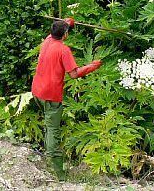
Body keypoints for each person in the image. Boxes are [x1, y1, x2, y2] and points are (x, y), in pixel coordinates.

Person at [31, 17, 102, 180]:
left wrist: (67, 22)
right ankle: (59, 174)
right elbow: (74, 74)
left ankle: (48, 151)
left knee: (48, 123)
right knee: (53, 130)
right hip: (51, 96)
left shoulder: (48, 41)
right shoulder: (63, 50)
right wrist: (92, 66)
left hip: (37, 91)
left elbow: (59, 28)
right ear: (65, 35)